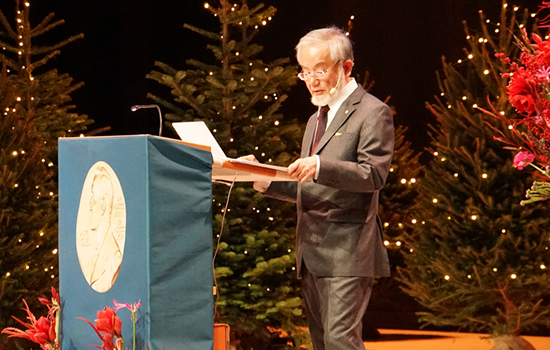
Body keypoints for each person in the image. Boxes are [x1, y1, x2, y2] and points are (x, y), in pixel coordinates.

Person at [242, 26, 394, 350]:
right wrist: (261, 179)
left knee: (341, 341)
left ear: (347, 67)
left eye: (320, 70)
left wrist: (321, 166)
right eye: (305, 72)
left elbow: (373, 175)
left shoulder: (373, 112)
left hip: (347, 251)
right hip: (311, 252)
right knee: (322, 342)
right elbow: (308, 184)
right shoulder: (315, 120)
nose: (312, 80)